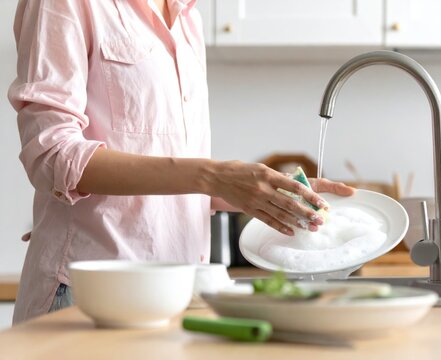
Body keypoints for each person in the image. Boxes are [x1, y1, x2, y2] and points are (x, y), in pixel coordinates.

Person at [8, 0, 354, 324]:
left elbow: (177, 177)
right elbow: (52, 154)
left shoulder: (187, 16)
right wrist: (214, 176)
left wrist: (267, 189)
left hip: (178, 292)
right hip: (90, 294)